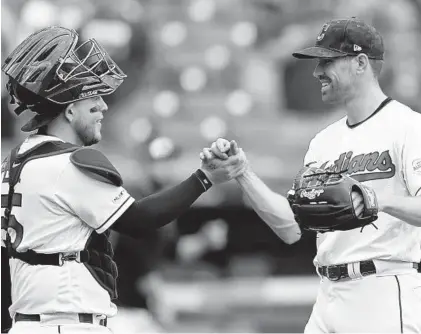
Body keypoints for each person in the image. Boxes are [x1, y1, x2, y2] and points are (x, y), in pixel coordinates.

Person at [0, 26, 247, 334]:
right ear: (69, 108)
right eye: (93, 99)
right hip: (67, 322)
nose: (103, 107)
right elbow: (138, 220)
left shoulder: (14, 162)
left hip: (27, 322)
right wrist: (205, 177)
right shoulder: (67, 163)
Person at [204, 18, 421, 333]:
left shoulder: (409, 127)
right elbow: (292, 227)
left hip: (383, 288)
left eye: (328, 61)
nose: (318, 71)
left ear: (361, 63)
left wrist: (376, 199)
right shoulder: (323, 142)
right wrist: (243, 173)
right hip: (328, 295)